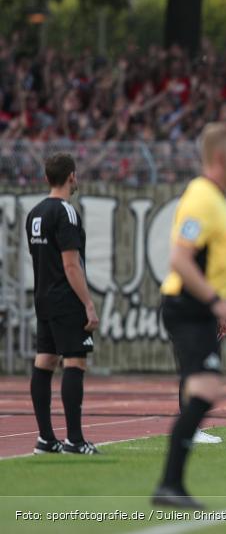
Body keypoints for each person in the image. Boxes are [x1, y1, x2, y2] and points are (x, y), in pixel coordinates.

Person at [152, 121, 226, 508]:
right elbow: (179, 258)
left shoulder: (215, 198)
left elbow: (209, 260)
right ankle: (169, 484)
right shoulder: (200, 198)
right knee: (205, 390)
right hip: (187, 307)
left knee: (204, 391)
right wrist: (214, 302)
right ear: (222, 158)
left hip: (199, 307)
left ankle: (171, 484)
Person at [26, 153, 100, 455]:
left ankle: (45, 438)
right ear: (72, 176)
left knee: (44, 361)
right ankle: (75, 440)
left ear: (47, 178)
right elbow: (71, 265)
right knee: (74, 361)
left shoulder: (34, 213)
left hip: (42, 297)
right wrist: (88, 304)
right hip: (65, 298)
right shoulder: (66, 212)